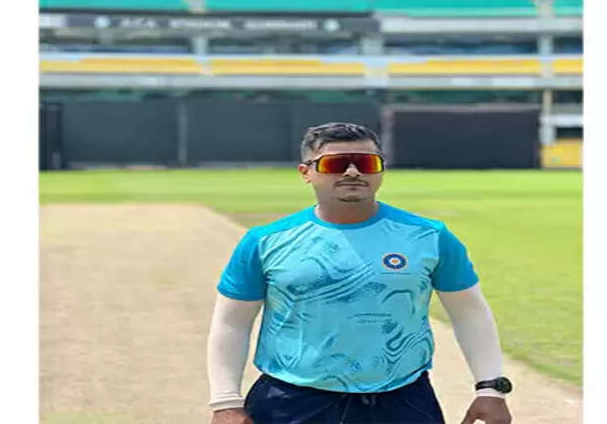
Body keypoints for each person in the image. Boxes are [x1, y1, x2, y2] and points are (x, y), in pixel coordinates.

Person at [207, 122, 513, 424]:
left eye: (366, 163)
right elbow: (232, 322)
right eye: (336, 164)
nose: (352, 172)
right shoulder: (265, 241)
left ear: (381, 170)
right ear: (306, 172)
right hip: (291, 402)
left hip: (402, 401)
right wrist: (225, 402)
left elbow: (469, 313)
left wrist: (490, 389)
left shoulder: (429, 237)